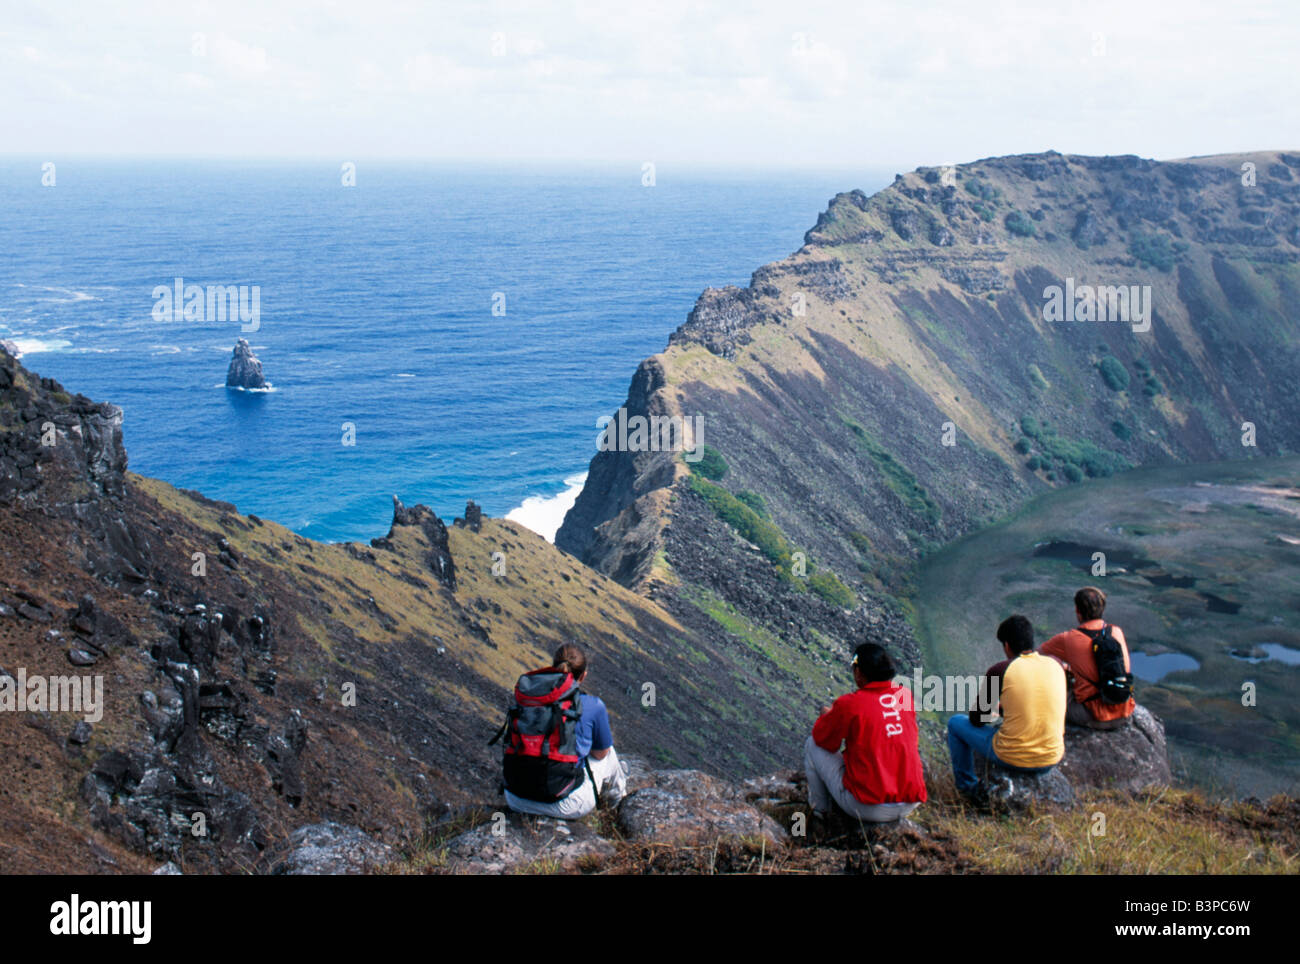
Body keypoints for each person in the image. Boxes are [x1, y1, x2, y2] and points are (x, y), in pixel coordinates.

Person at [502, 643, 628, 819]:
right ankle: (617, 810)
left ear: (554, 668)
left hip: (516, 798)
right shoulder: (593, 705)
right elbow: (601, 754)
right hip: (564, 804)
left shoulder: (529, 698)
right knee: (609, 753)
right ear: (583, 676)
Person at [805, 642, 926, 823]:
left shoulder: (850, 704)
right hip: (910, 802)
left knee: (812, 744)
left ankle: (819, 812)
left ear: (859, 673)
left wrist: (828, 717)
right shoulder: (905, 695)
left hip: (869, 807)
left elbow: (825, 741)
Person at [946, 614, 1066, 796]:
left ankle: (967, 787)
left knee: (955, 723)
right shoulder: (1055, 663)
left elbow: (978, 719)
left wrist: (997, 709)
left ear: (1007, 645)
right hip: (1051, 758)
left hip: (1012, 757)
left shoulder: (1000, 670)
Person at [1039, 587, 1135, 730]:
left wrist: (1063, 667)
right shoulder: (1116, 631)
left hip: (1092, 716)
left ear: (1078, 611)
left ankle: (992, 719)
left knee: (1053, 676)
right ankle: (990, 716)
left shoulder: (1069, 638)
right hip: (1124, 711)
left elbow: (1036, 656)